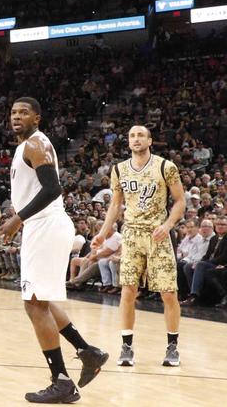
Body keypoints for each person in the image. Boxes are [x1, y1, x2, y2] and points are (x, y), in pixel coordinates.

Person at [0, 98, 108, 404]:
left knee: (33, 304)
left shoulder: (35, 144)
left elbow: (53, 188)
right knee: (39, 299)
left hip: (45, 224)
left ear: (37, 118)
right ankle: (87, 351)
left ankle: (61, 381)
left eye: (24, 112)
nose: (17, 116)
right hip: (42, 227)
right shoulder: (26, 146)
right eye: (14, 112)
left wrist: (17, 218)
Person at [90, 125, 185, 368]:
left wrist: (168, 224)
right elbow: (115, 206)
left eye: (140, 135)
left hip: (158, 235)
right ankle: (127, 345)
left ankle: (172, 346)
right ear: (128, 141)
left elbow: (180, 201)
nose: (136, 139)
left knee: (168, 292)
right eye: (132, 135)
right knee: (128, 290)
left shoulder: (166, 166)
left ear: (150, 140)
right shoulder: (119, 170)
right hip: (131, 234)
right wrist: (102, 234)